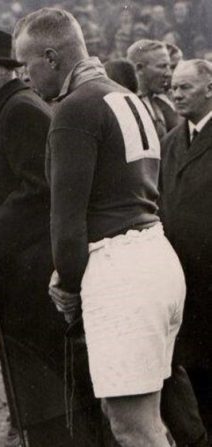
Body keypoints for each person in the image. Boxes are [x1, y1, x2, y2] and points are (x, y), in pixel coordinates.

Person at [15, 9, 186, 446]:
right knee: (141, 420)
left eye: (28, 64)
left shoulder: (74, 109)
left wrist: (68, 283)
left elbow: (66, 221)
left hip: (120, 269)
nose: (26, 77)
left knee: (134, 428)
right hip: (155, 258)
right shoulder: (121, 94)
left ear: (51, 58)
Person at [0, 27, 107, 445]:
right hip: (24, 288)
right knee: (39, 406)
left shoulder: (19, 110)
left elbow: (38, 189)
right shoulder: (5, 110)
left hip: (37, 291)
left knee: (54, 408)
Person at [160, 59, 212, 444]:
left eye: (185, 88)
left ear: (209, 89)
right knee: (193, 372)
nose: (176, 94)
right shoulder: (170, 142)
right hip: (183, 279)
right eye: (173, 87)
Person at [128, 39, 180, 137]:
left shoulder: (166, 103)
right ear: (139, 68)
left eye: (169, 66)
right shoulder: (127, 105)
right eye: (162, 66)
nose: (169, 73)